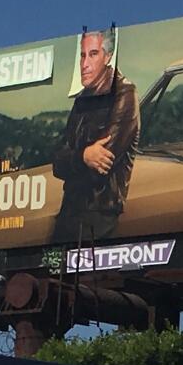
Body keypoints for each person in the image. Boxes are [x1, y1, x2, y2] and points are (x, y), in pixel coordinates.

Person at [52, 29, 140, 242]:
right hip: (69, 210)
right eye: (82, 55)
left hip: (99, 215)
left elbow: (101, 166)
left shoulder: (124, 94)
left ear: (108, 57)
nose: (84, 64)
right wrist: (83, 156)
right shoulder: (83, 98)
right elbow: (57, 162)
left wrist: (75, 158)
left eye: (92, 54)